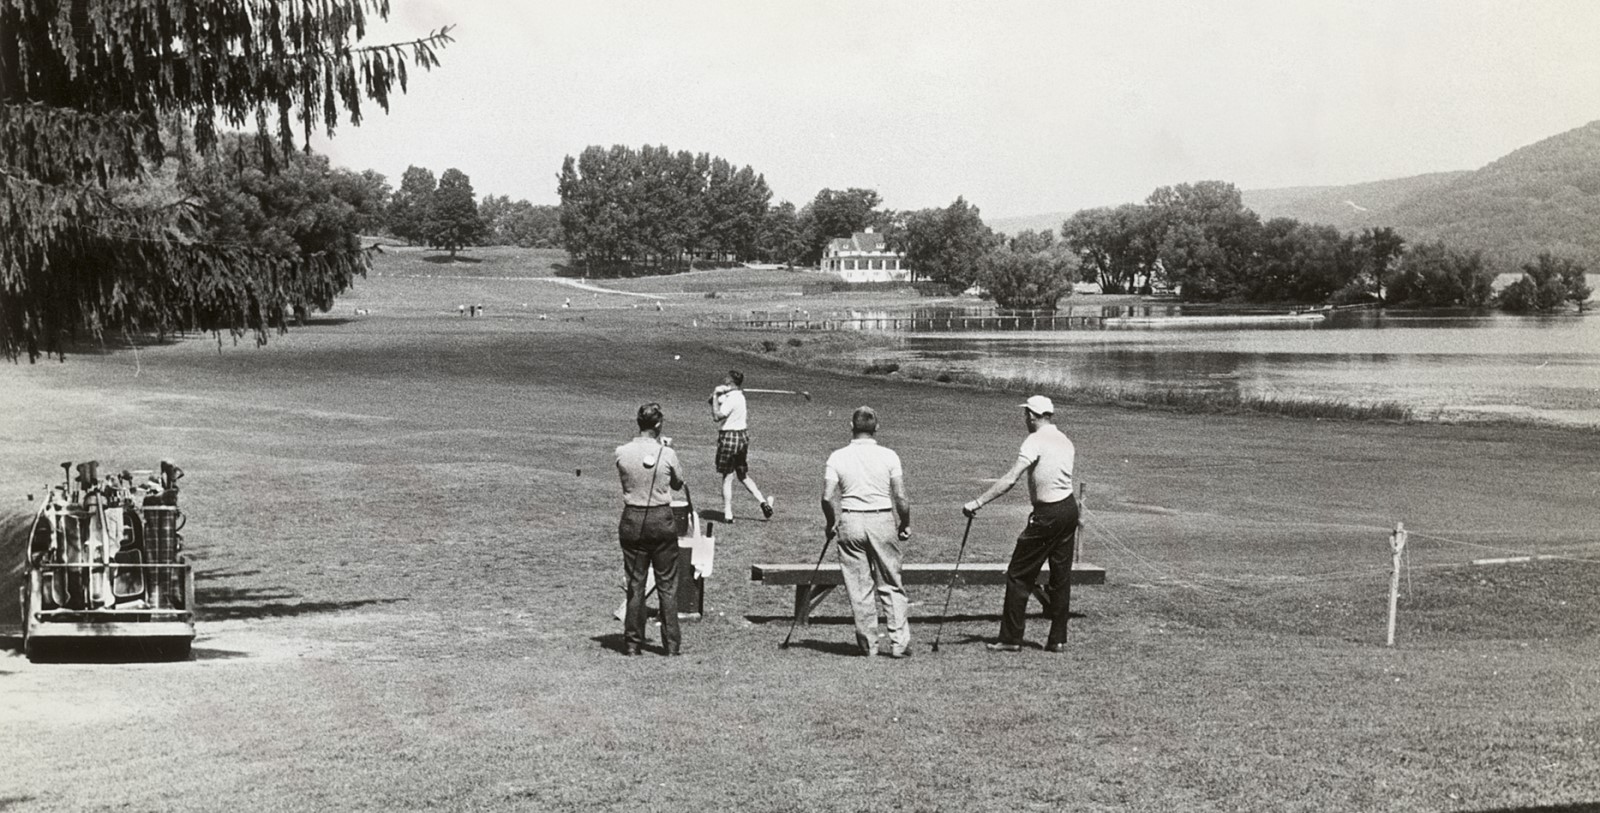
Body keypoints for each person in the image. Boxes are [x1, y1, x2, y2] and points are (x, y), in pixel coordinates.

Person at [962, 395, 1079, 653]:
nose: (1025, 419)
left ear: (1032, 416)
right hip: (1069, 509)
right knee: (1061, 577)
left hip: (1048, 514)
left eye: (1026, 414)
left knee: (1018, 574)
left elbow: (1010, 479)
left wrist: (978, 502)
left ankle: (1010, 639)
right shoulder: (1064, 440)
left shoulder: (1035, 440)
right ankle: (1057, 639)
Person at [821, 406, 912, 658]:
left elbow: (827, 498)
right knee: (891, 583)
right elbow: (901, 497)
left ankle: (869, 645)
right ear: (877, 428)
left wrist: (831, 522)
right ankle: (898, 643)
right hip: (881, 518)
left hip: (850, 521)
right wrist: (904, 523)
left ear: (851, 427)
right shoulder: (889, 456)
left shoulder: (837, 457)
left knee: (859, 587)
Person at [614, 402, 685, 656]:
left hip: (632, 519)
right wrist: (665, 449)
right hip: (661, 519)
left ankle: (633, 644)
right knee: (667, 585)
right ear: (657, 425)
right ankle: (671, 645)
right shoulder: (667, 453)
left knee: (635, 584)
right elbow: (678, 483)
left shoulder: (622, 451)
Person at [709, 370, 773, 522]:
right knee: (743, 475)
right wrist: (716, 394)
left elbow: (716, 416)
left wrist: (715, 396)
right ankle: (763, 502)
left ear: (731, 383)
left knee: (727, 477)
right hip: (742, 437)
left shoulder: (732, 399)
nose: (724, 382)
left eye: (727, 381)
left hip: (729, 437)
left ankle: (728, 514)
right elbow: (712, 402)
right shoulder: (738, 397)